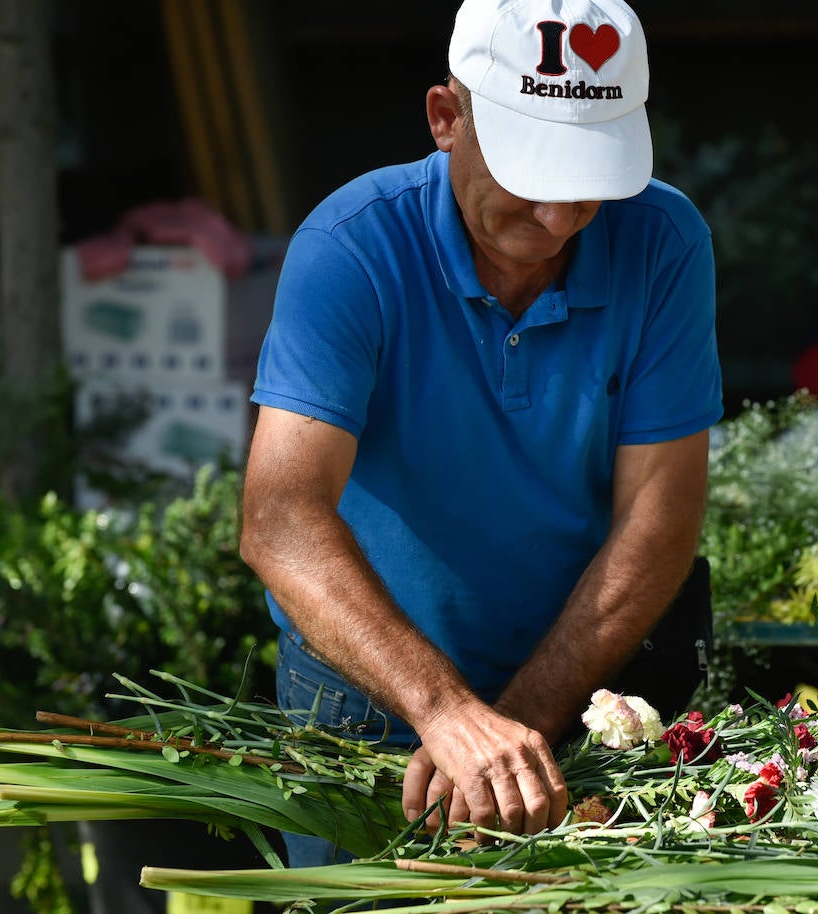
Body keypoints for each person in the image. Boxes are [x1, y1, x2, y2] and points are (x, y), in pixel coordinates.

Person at [239, 0, 723, 868]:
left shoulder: (663, 240)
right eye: (532, 172)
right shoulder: (352, 247)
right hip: (365, 698)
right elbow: (280, 517)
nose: (559, 216)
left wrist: (518, 725)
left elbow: (660, 520)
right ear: (444, 118)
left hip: (584, 695)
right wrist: (449, 714)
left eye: (589, 179)